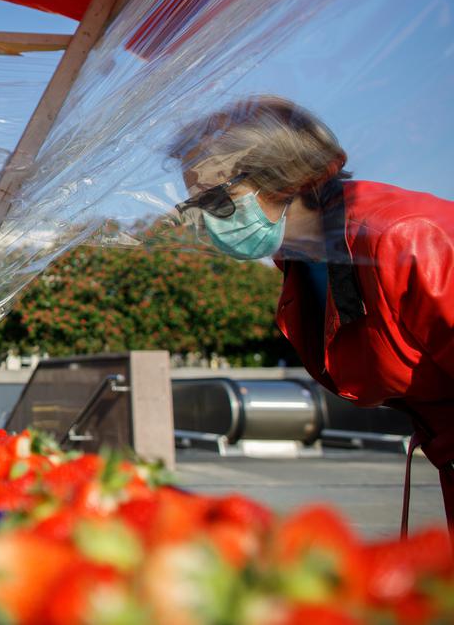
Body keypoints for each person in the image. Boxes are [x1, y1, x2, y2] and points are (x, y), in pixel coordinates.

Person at [169, 95, 454, 526]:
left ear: (285, 178)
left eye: (217, 202)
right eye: (197, 208)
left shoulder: (409, 239)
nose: (207, 223)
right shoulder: (303, 263)